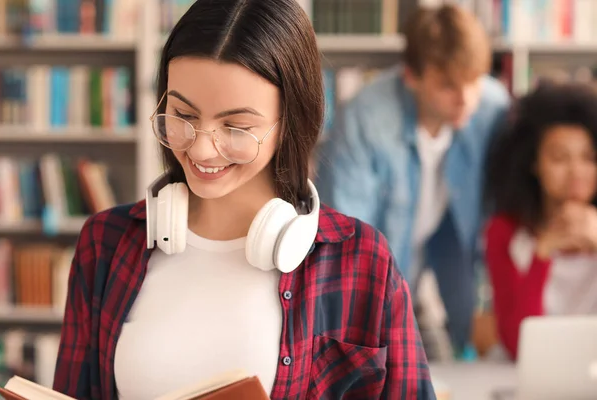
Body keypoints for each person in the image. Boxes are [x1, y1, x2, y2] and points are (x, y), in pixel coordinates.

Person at [52, 0, 436, 399]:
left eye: (235, 126)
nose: (201, 151)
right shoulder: (105, 244)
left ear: (290, 121)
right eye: (183, 115)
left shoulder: (362, 260)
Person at [316, 3, 510, 356]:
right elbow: (347, 237)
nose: (465, 99)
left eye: (473, 81)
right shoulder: (368, 118)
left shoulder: (493, 106)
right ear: (412, 76)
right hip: (382, 262)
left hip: (450, 253)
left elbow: (500, 208)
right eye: (448, 86)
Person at [484, 82, 597, 360]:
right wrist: (541, 254)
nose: (576, 172)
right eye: (559, 158)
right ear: (533, 163)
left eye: (588, 158)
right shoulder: (505, 232)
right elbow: (516, 344)